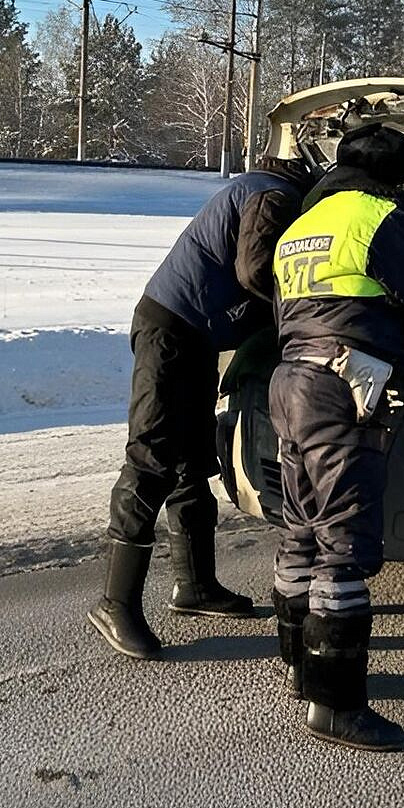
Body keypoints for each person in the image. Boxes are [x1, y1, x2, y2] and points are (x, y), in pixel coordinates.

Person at [268, 123, 404, 751]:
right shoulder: (379, 218)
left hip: (289, 380)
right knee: (345, 546)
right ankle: (337, 707)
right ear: (396, 178)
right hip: (341, 385)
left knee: (303, 529)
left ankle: (303, 671)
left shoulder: (303, 226)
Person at [89, 154, 317, 660]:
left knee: (191, 459)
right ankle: (114, 603)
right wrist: (298, 312)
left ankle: (195, 587)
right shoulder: (274, 196)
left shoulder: (262, 188)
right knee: (150, 460)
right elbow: (256, 270)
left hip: (194, 335)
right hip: (170, 330)